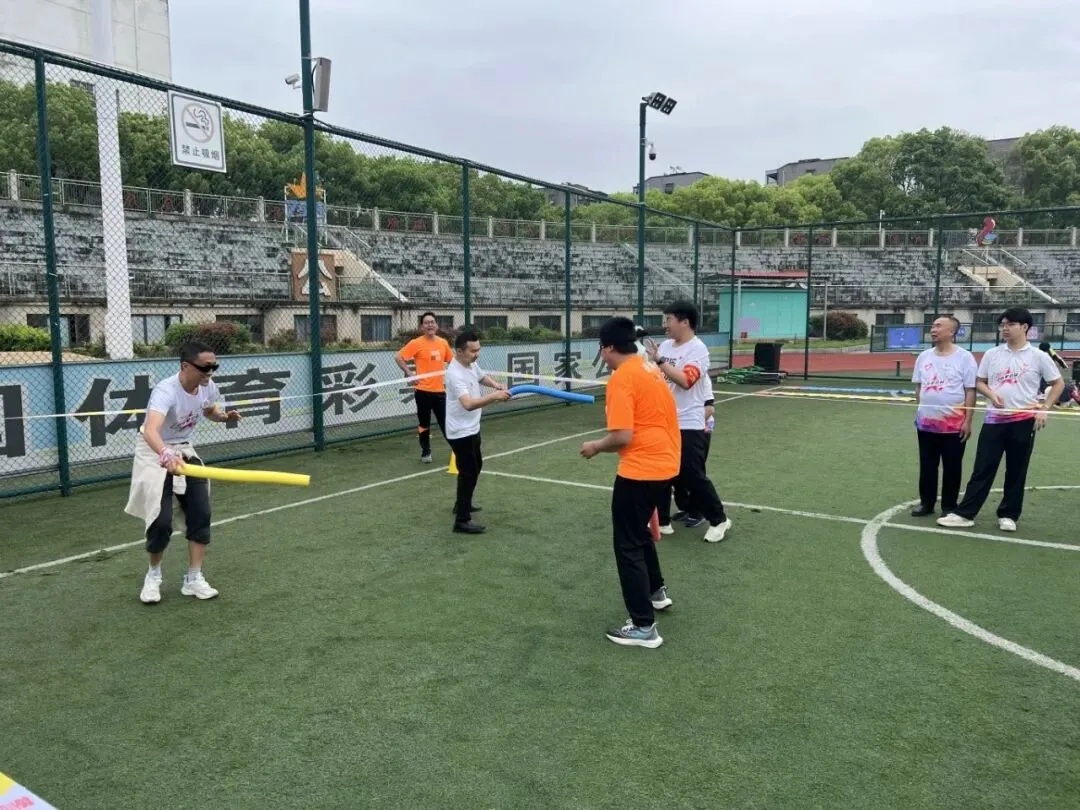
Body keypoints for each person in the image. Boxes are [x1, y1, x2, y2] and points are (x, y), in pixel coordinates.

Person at [581, 317, 681, 649]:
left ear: (609, 348)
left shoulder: (623, 378)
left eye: (602, 349)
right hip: (665, 464)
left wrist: (596, 446)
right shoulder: (648, 368)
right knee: (638, 534)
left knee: (627, 544)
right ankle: (656, 592)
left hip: (641, 471)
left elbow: (622, 436)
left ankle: (643, 626)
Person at [124, 341, 241, 604]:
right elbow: (151, 429)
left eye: (214, 367)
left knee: (201, 512)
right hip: (153, 449)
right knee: (160, 520)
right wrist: (165, 454)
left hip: (184, 449)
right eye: (205, 367)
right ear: (186, 366)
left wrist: (224, 417)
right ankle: (153, 575)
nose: (210, 372)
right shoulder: (166, 390)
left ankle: (193, 578)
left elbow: (209, 409)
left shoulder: (208, 386)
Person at [939, 308, 1064, 532]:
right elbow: (980, 381)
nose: (1005, 328)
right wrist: (991, 394)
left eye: (1010, 324)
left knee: (1017, 470)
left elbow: (1058, 383)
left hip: (1024, 421)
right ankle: (965, 514)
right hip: (994, 421)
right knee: (983, 467)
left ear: (1025, 327)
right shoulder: (992, 354)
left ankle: (1008, 515)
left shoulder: (1038, 356)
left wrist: (1044, 409)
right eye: (1003, 324)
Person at [647, 300, 732, 543]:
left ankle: (719, 519)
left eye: (669, 320)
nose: (665, 325)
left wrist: (660, 361)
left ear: (684, 322)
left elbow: (686, 381)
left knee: (692, 475)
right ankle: (662, 521)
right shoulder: (665, 346)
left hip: (689, 422)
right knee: (662, 473)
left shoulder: (698, 349)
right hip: (664, 421)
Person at [443, 328, 511, 534]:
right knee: (468, 471)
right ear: (459, 351)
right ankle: (462, 521)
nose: (477, 354)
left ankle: (462, 504)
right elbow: (468, 404)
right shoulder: (454, 373)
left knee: (475, 466)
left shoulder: (470, 363)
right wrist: (494, 397)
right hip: (460, 432)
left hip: (473, 427)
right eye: (473, 351)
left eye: (478, 349)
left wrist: (496, 385)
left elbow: (481, 377)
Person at [910, 315, 978, 517]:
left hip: (954, 425)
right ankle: (926, 503)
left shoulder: (965, 358)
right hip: (926, 424)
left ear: (952, 332)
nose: (933, 329)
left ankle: (949, 505)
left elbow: (970, 390)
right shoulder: (924, 357)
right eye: (933, 326)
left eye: (939, 326)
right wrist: (923, 410)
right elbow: (918, 388)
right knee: (927, 465)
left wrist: (968, 420)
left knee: (952, 466)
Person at [395, 312, 454, 463]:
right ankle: (426, 452)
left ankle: (457, 450)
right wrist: (409, 373)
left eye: (432, 322)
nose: (430, 325)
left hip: (440, 392)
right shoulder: (416, 343)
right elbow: (398, 357)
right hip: (422, 392)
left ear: (436, 325)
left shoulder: (443, 343)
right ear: (422, 326)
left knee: (446, 422)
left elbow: (452, 361)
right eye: (426, 323)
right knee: (424, 424)